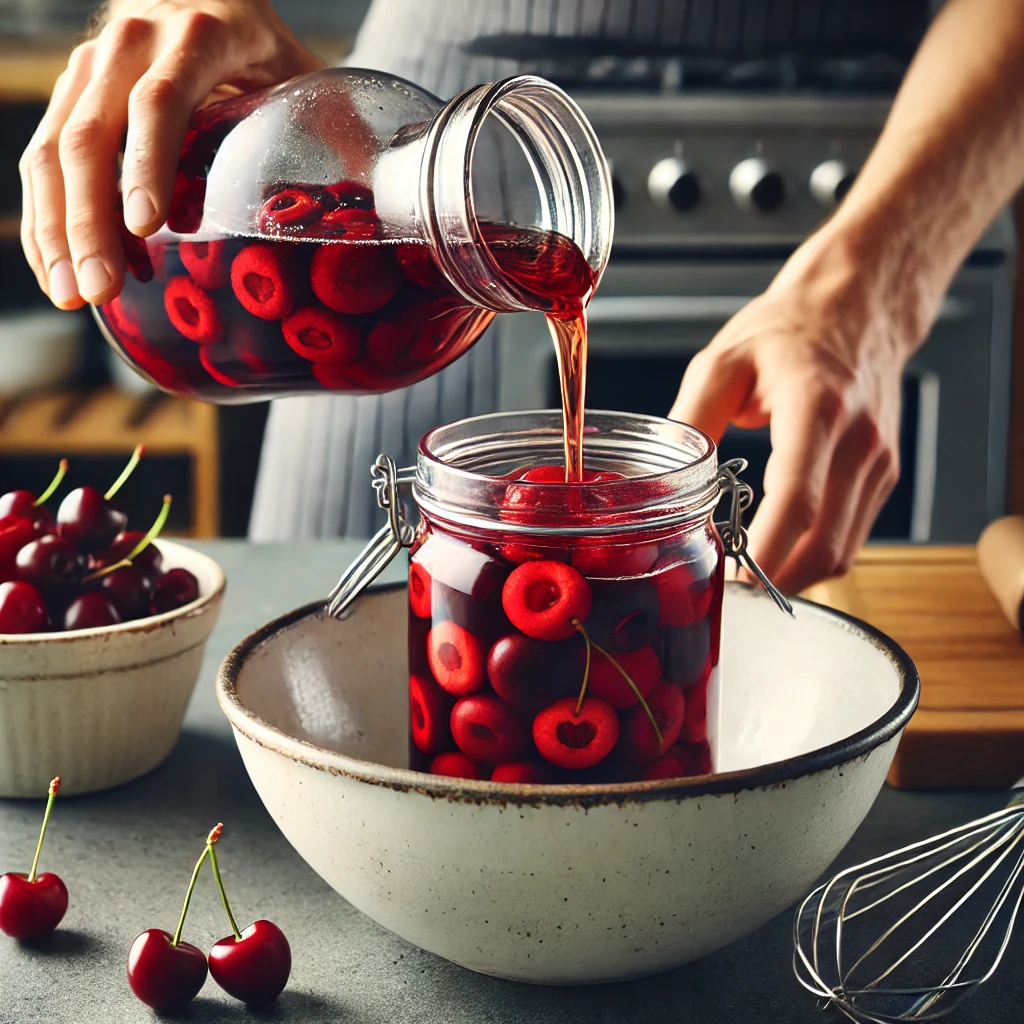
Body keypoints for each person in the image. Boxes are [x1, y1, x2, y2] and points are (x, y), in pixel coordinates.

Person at [18, 0, 1024, 593]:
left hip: (909, 140)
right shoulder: (418, 321)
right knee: (342, 686)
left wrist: (880, 283)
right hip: (401, 168)